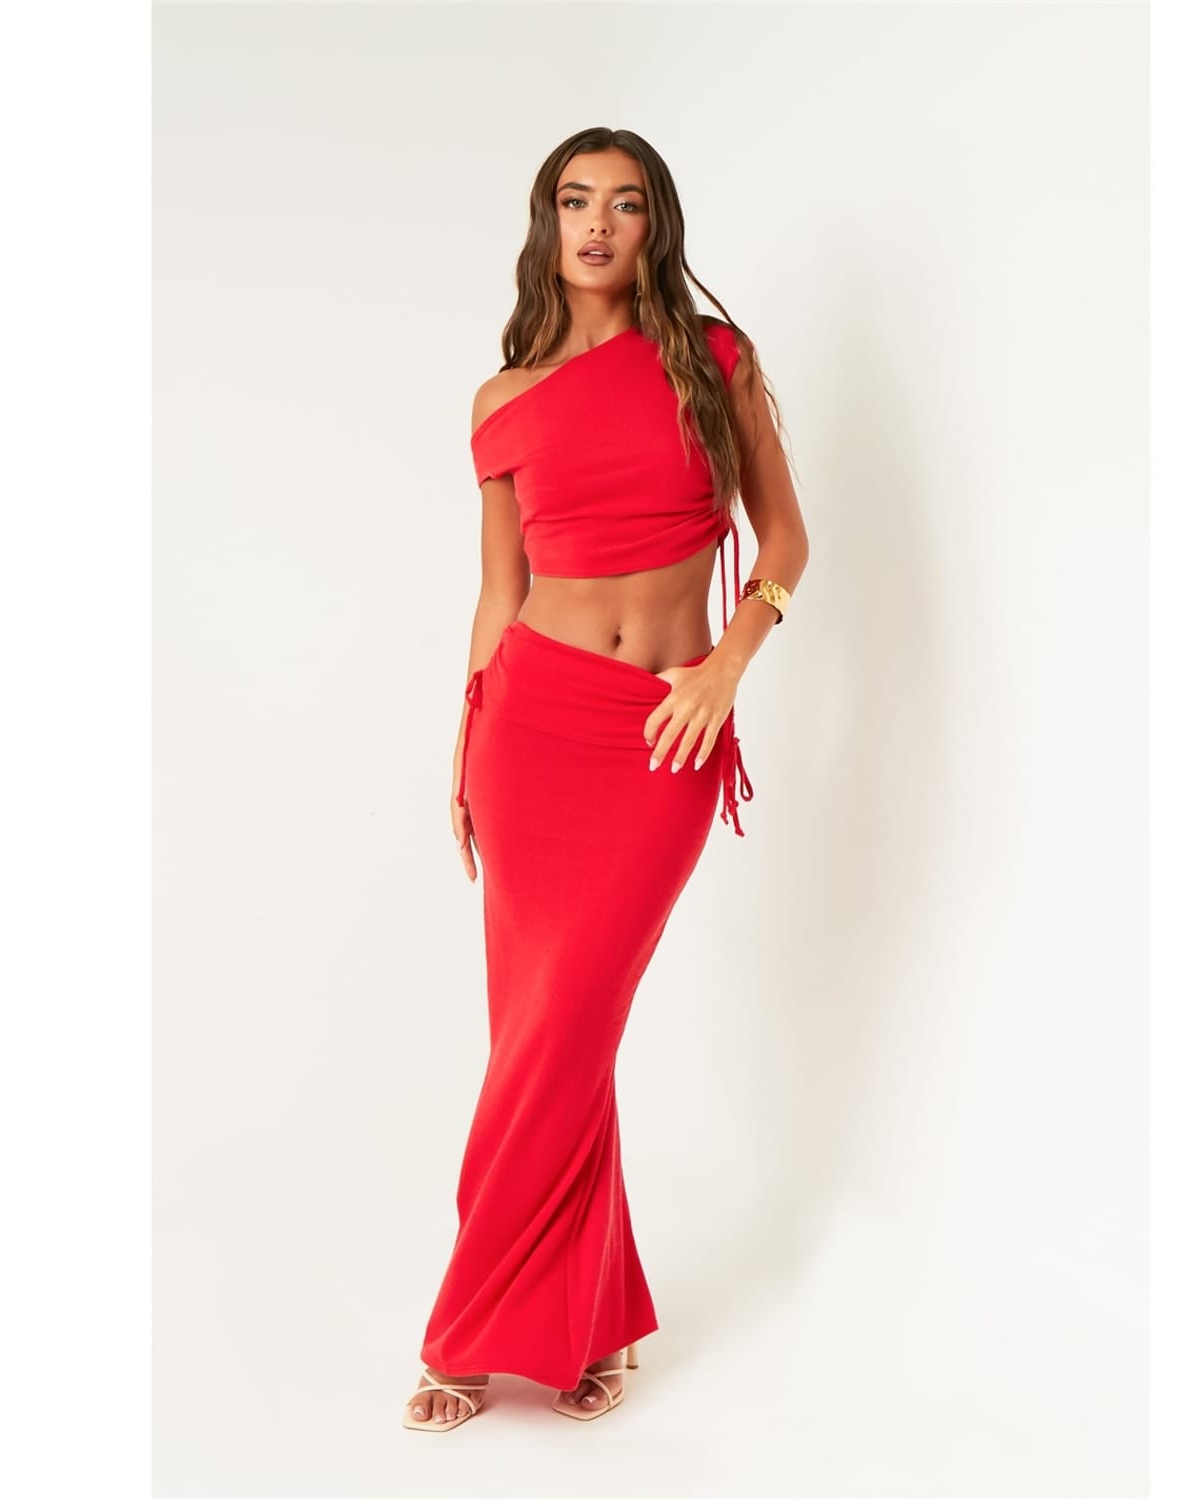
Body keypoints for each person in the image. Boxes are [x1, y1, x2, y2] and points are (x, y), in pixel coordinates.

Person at [404, 127, 809, 1432]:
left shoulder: (715, 362)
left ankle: (466, 1332)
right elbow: (499, 592)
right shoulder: (501, 401)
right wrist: (465, 746)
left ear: (654, 226)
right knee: (545, 1036)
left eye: (624, 204)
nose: (596, 224)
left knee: (567, 1026)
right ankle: (591, 1329)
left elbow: (786, 538)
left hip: (664, 736)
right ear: (548, 224)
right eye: (575, 201)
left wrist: (726, 668)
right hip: (529, 729)